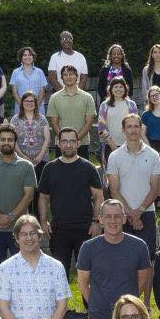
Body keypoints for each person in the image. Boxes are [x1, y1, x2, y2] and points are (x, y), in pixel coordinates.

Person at [0, 214, 71, 319]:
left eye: (33, 233)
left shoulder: (55, 266)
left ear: (40, 236)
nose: (29, 238)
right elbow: (3, 307)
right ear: (16, 238)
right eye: (24, 234)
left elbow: (62, 305)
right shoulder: (6, 268)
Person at [77, 199, 153, 319]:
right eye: (108, 216)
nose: (113, 220)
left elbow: (143, 281)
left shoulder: (139, 246)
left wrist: (126, 305)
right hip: (99, 318)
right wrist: (95, 303)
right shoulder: (88, 248)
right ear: (100, 219)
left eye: (117, 216)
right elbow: (82, 282)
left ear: (124, 218)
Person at [38, 125, 104, 295]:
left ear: (78, 143)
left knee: (89, 273)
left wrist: (97, 222)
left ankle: (91, 307)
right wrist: (43, 222)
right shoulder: (49, 168)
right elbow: (43, 197)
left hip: (85, 228)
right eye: (64, 141)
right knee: (59, 274)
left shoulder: (88, 167)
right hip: (58, 229)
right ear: (58, 143)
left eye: (72, 141)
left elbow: (98, 196)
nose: (68, 145)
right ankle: (63, 308)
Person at [0, 122, 38, 276]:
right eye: (3, 139)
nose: (6, 142)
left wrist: (11, 217)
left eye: (10, 139)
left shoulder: (26, 166)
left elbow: (28, 196)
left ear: (15, 142)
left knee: (23, 269)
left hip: (21, 228)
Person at [108, 113, 160, 261]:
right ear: (123, 130)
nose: (133, 130)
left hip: (146, 213)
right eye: (129, 127)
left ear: (141, 129)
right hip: (122, 215)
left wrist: (139, 212)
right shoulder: (114, 156)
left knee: (147, 260)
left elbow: (155, 190)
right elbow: (114, 190)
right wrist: (131, 214)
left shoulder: (153, 155)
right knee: (121, 260)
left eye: (136, 126)